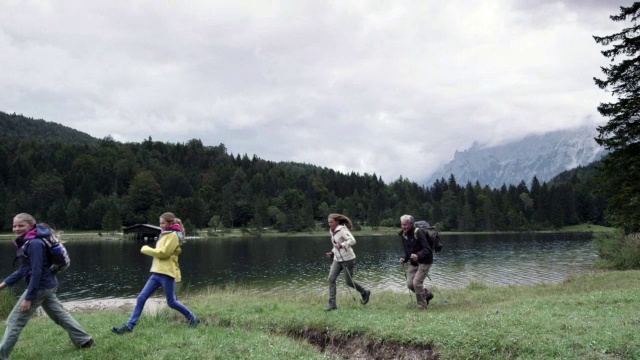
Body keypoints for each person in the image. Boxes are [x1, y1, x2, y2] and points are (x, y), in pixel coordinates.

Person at [0, 213, 94, 359]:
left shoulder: (34, 244)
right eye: (14, 225)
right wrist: (3, 284)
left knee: (14, 321)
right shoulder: (28, 242)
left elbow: (37, 272)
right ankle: (85, 340)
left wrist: (29, 298)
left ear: (31, 226)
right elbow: (24, 269)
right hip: (48, 285)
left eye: (21, 225)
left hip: (40, 287)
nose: (16, 229)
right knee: (59, 315)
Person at [111, 212, 199, 334]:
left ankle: (193, 319)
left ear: (170, 223)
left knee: (171, 302)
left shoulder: (173, 236)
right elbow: (160, 252)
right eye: (160, 223)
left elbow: (164, 253)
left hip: (167, 273)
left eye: (163, 223)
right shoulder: (164, 234)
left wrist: (146, 249)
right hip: (156, 273)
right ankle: (129, 326)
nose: (161, 225)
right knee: (141, 298)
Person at [324, 213, 371, 311]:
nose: (330, 224)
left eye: (331, 222)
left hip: (348, 259)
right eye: (329, 222)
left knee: (349, 282)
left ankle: (364, 292)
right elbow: (335, 245)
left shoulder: (342, 230)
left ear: (337, 222)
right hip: (337, 259)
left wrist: (342, 245)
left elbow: (353, 241)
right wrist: (332, 252)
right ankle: (332, 304)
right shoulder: (332, 231)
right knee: (331, 279)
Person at [399, 214, 434, 310]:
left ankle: (422, 307)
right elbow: (408, 251)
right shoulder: (403, 235)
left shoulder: (418, 232)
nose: (403, 227)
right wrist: (404, 259)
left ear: (411, 224)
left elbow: (428, 249)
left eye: (405, 225)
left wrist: (418, 255)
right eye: (402, 224)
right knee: (410, 284)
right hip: (413, 263)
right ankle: (427, 294)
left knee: (417, 283)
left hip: (425, 261)